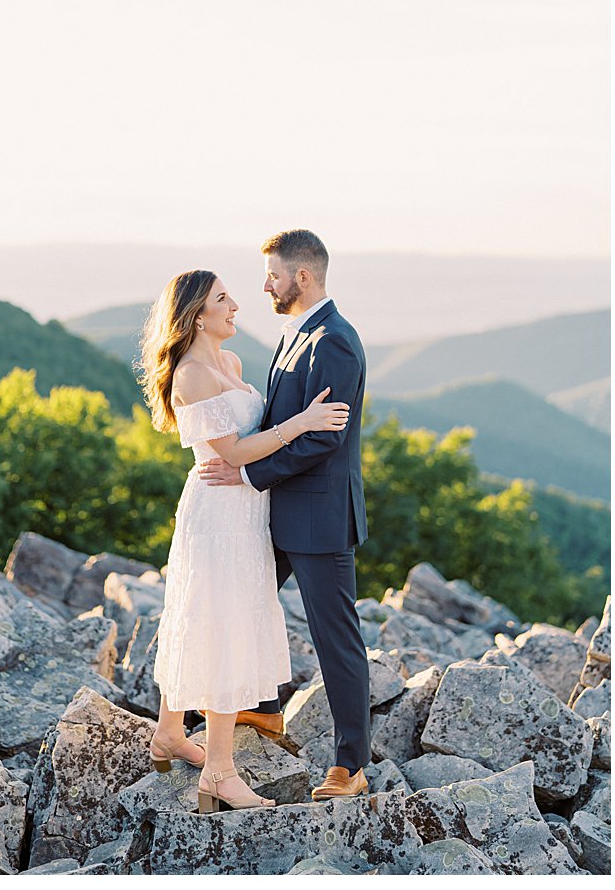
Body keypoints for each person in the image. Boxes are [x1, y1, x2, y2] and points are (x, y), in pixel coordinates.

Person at [138, 269, 350, 812]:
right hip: (218, 514)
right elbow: (231, 454)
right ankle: (219, 771)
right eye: (222, 299)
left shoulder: (229, 363)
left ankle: (168, 733)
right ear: (196, 315)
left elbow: (245, 449)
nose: (235, 305)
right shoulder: (190, 375)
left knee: (206, 615)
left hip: (247, 511)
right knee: (220, 622)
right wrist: (303, 422)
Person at [197, 229, 373, 801]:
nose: (265, 284)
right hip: (272, 512)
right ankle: (262, 711)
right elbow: (278, 420)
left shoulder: (335, 342)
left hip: (320, 517)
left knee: (334, 637)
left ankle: (351, 765)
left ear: (302, 276)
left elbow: (325, 438)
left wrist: (247, 474)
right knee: (243, 603)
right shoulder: (294, 335)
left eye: (273, 273)